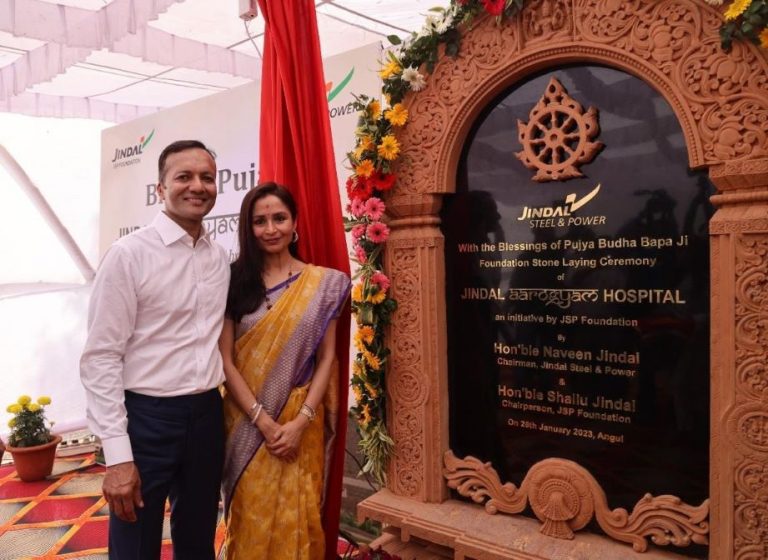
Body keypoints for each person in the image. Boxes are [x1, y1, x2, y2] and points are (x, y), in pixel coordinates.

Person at [80, 140, 229, 559]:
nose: (197, 186)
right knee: (135, 545)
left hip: (206, 417)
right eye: (184, 176)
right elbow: (101, 356)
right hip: (146, 419)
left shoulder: (218, 258)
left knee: (199, 539)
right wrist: (118, 456)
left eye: (207, 177)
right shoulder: (129, 256)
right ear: (160, 189)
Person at [219, 183, 350, 559]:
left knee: (300, 516)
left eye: (279, 218)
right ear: (249, 228)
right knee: (251, 516)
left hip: (299, 425)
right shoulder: (234, 281)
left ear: (295, 224)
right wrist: (264, 422)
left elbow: (327, 358)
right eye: (260, 221)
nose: (270, 228)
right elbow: (225, 359)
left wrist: (301, 422)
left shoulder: (324, 284)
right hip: (246, 423)